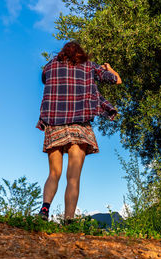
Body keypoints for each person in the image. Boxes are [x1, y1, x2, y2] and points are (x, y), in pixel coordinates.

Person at [36, 41, 122, 222]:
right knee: (73, 177)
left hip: (54, 124)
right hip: (79, 127)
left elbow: (44, 77)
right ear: (81, 53)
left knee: (54, 173)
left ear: (62, 52)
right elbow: (116, 80)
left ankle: (44, 210)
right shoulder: (90, 66)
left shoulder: (50, 65)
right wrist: (110, 68)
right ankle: (68, 219)